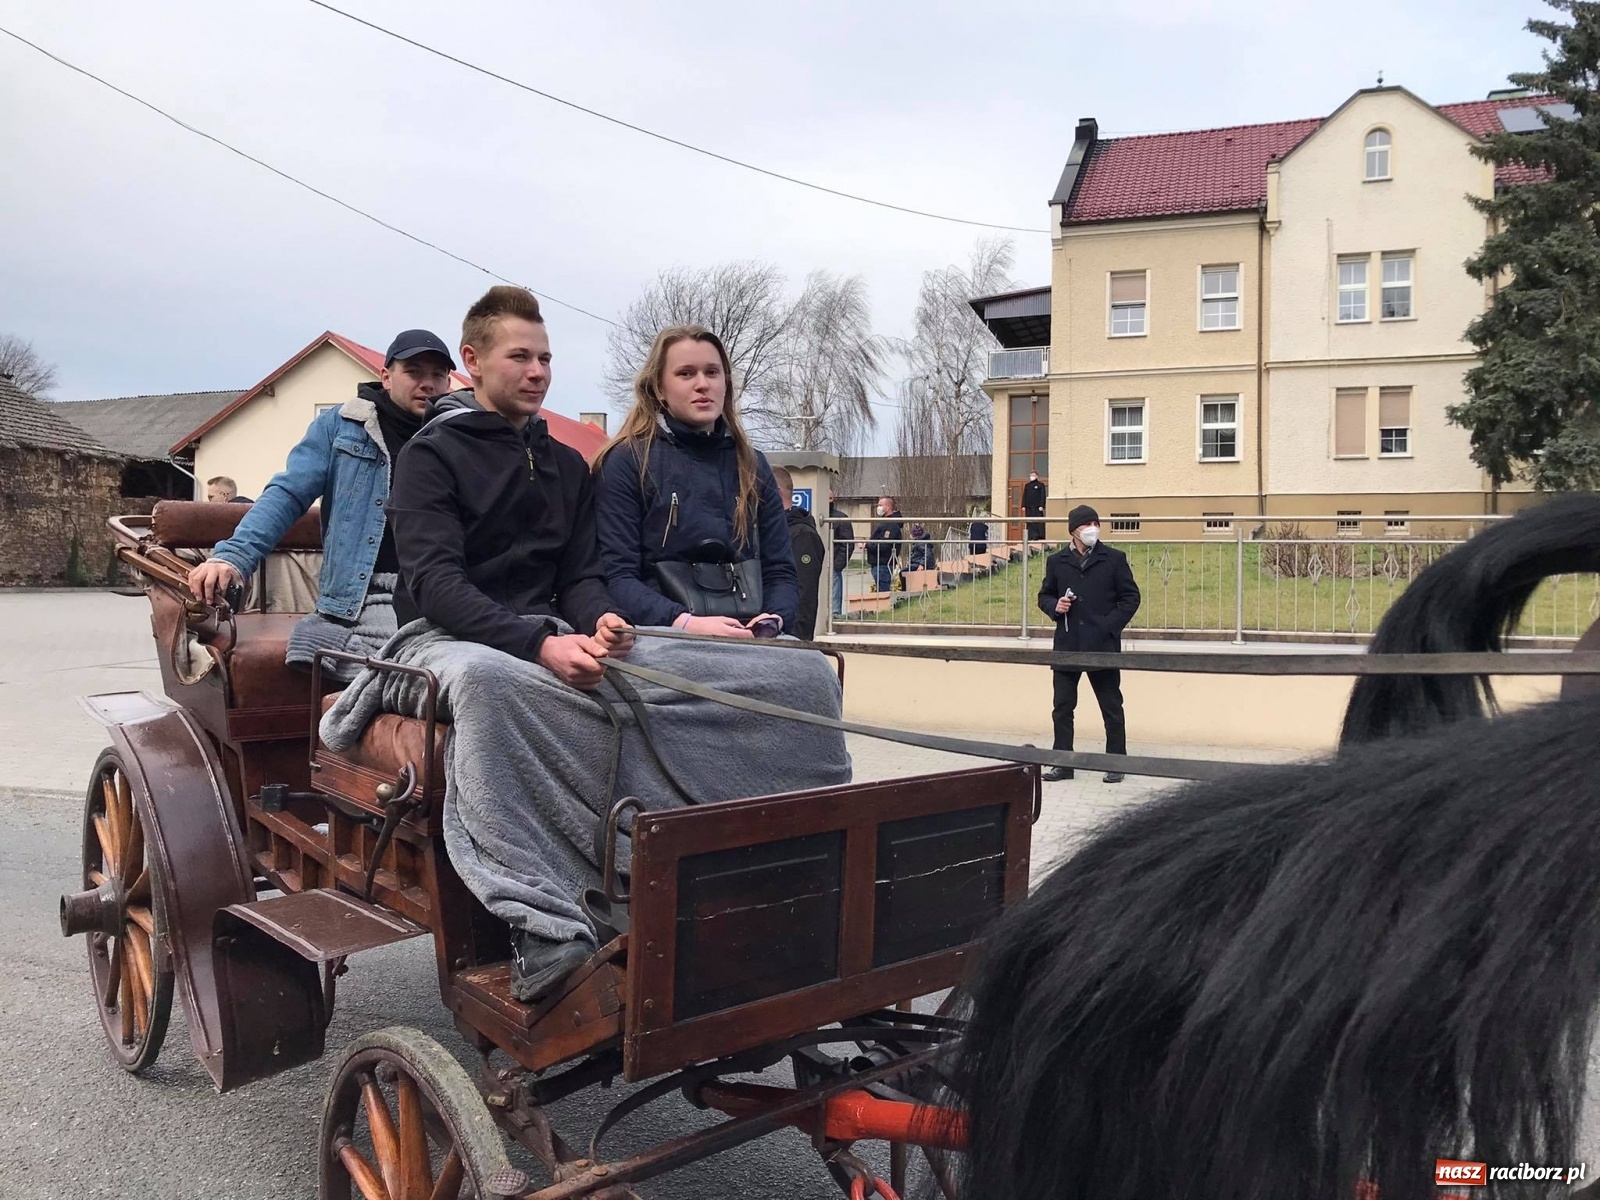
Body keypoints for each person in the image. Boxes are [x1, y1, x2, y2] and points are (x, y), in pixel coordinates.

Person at [386, 286, 635, 1002]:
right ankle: (536, 922)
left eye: (546, 357)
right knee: (488, 685)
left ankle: (629, 874)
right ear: (472, 362)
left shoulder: (564, 465)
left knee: (652, 673)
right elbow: (434, 585)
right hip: (437, 640)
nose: (538, 371)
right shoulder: (431, 457)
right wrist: (538, 645)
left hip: (537, 636)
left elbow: (580, 576)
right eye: (520, 356)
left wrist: (602, 622)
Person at [189, 330, 456, 679]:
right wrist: (233, 556)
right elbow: (288, 494)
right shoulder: (342, 427)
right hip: (369, 592)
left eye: (438, 375)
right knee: (429, 660)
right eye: (415, 372)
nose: (428, 384)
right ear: (386, 377)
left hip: (443, 587)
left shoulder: (458, 435)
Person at [592, 326, 795, 638]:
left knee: (815, 674)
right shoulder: (626, 462)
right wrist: (685, 622)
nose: (703, 384)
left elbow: (780, 571)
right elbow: (618, 577)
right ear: (659, 388)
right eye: (686, 374)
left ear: (726, 383)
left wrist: (772, 621)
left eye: (712, 372)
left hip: (750, 632)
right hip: (661, 633)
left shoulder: (753, 465)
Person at [1037, 504, 1140, 784]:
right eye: (1087, 524)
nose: (1093, 528)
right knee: (1062, 707)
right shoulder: (1057, 561)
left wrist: (1109, 626)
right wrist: (1055, 607)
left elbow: (1131, 597)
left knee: (1111, 706)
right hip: (1068, 644)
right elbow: (1044, 595)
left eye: (1096, 522)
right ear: (1073, 531)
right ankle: (1063, 763)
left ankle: (1115, 762)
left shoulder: (1114, 559)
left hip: (1101, 646)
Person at [771, 465, 824, 639]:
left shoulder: (802, 535)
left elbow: (804, 594)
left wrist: (797, 641)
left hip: (789, 637)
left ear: (774, 491)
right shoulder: (771, 530)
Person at [866, 496, 903, 594]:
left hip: (883, 564)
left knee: (883, 593)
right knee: (881, 592)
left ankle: (884, 609)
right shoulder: (885, 522)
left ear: (888, 507)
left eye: (880, 505)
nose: (878, 507)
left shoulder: (891, 524)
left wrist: (867, 544)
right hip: (879, 563)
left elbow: (884, 545)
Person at [829, 495, 853, 618]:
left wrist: (838, 563)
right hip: (817, 561)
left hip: (833, 562)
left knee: (834, 588)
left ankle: (835, 615)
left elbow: (847, 543)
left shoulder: (841, 518)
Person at [1022, 471, 1047, 542]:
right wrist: (1023, 505)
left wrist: (1042, 505)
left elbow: (1043, 496)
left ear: (1037, 476)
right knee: (1030, 521)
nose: (1031, 477)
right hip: (1029, 507)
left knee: (1038, 521)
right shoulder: (1027, 485)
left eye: (1033, 475)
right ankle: (1031, 536)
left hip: (1037, 507)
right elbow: (1024, 496)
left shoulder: (1040, 485)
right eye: (1030, 475)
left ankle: (1039, 535)